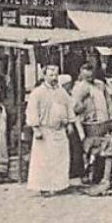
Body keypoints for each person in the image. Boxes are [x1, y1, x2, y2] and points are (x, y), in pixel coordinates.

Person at [26, 64, 74, 195]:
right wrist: (36, 128)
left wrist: (70, 123)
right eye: (51, 75)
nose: (54, 78)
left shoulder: (61, 91)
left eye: (56, 75)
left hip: (60, 130)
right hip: (45, 130)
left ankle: (59, 185)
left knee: (60, 159)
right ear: (44, 76)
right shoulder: (37, 93)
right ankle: (44, 187)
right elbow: (32, 111)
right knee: (44, 160)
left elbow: (69, 106)